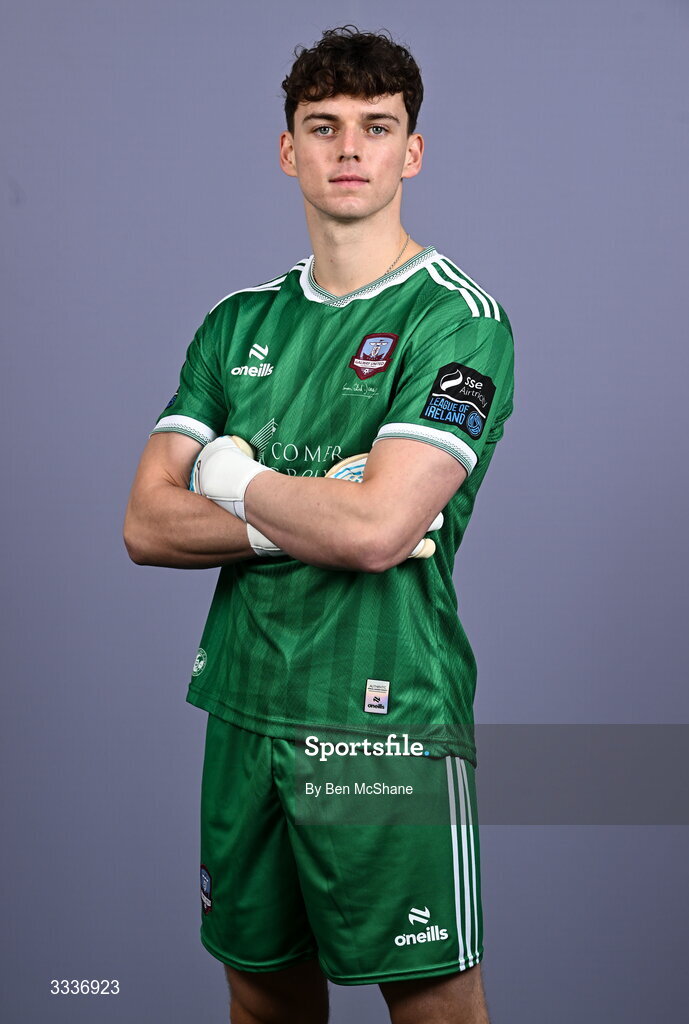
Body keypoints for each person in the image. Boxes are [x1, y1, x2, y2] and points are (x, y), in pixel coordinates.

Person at [124, 25, 514, 1024]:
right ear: (287, 149)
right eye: (324, 126)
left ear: (409, 152)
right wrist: (286, 507)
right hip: (243, 710)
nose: (349, 148)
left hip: (380, 728)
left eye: (375, 127)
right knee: (261, 1002)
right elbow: (145, 522)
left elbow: (377, 530)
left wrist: (223, 472)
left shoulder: (454, 318)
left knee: (433, 1009)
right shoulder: (235, 324)